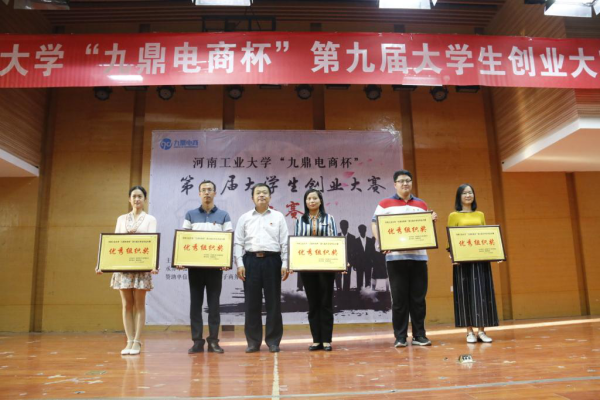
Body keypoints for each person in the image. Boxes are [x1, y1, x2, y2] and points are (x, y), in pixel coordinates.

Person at [371, 170, 437, 348]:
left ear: (411, 183)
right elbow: (375, 223)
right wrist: (382, 242)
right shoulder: (384, 204)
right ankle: (400, 337)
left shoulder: (421, 204)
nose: (405, 184)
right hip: (395, 258)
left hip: (419, 258)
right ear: (395, 184)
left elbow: (426, 229)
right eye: (401, 181)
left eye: (408, 180)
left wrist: (431, 220)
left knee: (418, 299)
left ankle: (419, 335)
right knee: (399, 300)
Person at [96, 186, 157, 355]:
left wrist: (153, 264)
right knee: (126, 305)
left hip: (141, 267)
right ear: (129, 199)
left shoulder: (150, 219)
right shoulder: (121, 219)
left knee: (139, 304)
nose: (137, 199)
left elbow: (152, 242)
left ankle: (137, 341)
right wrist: (102, 264)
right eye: (134, 196)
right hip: (123, 268)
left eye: (140, 196)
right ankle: (129, 340)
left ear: (145, 199)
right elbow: (113, 243)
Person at [234, 183, 289, 353]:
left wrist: (285, 263)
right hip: (251, 261)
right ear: (252, 198)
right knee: (252, 303)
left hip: (272, 261)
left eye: (265, 193)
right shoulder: (244, 218)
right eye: (258, 193)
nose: (262, 195)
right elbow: (238, 242)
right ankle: (253, 342)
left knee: (273, 303)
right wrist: (240, 264)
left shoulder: (278, 216)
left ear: (270, 197)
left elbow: (284, 242)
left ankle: (273, 341)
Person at [179, 180, 233, 354]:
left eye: (210, 190)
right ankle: (197, 341)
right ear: (199, 193)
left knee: (214, 305)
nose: (207, 193)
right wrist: (181, 259)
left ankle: (213, 341)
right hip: (195, 268)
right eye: (204, 190)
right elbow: (184, 241)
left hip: (215, 268)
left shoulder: (224, 215)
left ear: (215, 193)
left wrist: (226, 261)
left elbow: (228, 241)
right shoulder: (190, 214)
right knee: (195, 305)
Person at [447, 184, 499, 343]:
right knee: (465, 294)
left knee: (482, 294)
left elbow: (486, 236)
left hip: (480, 260)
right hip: (462, 261)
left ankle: (482, 331)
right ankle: (469, 332)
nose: (468, 195)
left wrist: (496, 253)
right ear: (459, 197)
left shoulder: (480, 214)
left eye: (470, 192)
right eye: (464, 193)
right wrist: (452, 256)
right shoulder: (454, 215)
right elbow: (451, 238)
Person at [294, 189, 338, 351]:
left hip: (326, 265)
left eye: (315, 198)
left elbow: (335, 241)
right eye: (309, 199)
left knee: (326, 302)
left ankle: (326, 340)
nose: (312, 201)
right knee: (313, 303)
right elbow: (297, 242)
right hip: (307, 265)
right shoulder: (300, 220)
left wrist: (339, 261)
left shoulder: (329, 218)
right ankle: (316, 340)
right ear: (305, 202)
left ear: (320, 201)